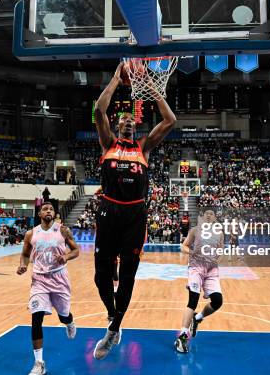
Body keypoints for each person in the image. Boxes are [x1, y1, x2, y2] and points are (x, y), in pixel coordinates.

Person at [92, 62, 176, 360]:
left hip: (135, 215)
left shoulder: (144, 147)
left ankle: (114, 327)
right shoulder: (107, 143)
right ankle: (112, 315)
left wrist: (149, 86)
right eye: (124, 121)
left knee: (127, 275)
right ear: (117, 126)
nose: (129, 124)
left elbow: (170, 119)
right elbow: (99, 111)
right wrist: (116, 78)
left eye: (132, 122)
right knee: (101, 276)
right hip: (108, 212)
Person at [17, 201, 79, 375]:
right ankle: (39, 363)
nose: (49, 211)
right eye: (45, 209)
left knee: (63, 316)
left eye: (51, 209)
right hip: (39, 280)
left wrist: (66, 257)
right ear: (39, 214)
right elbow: (25, 254)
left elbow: (76, 250)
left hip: (59, 278)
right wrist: (23, 265)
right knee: (36, 318)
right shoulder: (31, 234)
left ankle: (70, 322)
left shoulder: (63, 230)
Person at [174, 208, 224, 353]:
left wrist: (218, 259)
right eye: (206, 214)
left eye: (211, 214)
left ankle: (198, 318)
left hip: (211, 270)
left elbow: (221, 249)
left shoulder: (219, 233)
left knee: (217, 301)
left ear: (214, 218)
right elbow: (183, 246)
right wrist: (191, 251)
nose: (209, 216)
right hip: (196, 268)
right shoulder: (195, 230)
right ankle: (182, 337)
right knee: (193, 300)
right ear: (202, 217)